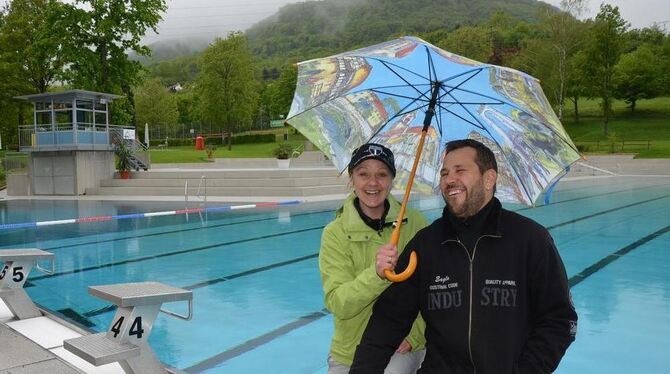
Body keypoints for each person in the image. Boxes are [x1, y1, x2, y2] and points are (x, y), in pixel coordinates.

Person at [350, 139, 577, 374]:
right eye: (445, 173)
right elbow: (388, 320)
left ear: (489, 179)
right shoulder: (426, 244)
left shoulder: (530, 239)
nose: (449, 180)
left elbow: (560, 321)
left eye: (460, 171)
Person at [319, 143, 428, 374]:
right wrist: (375, 274)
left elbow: (434, 290)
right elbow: (338, 303)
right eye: (363, 174)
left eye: (382, 174)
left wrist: (415, 336)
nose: (372, 183)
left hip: (400, 346)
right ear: (352, 178)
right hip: (350, 352)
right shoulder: (335, 233)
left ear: (392, 180)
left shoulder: (417, 225)